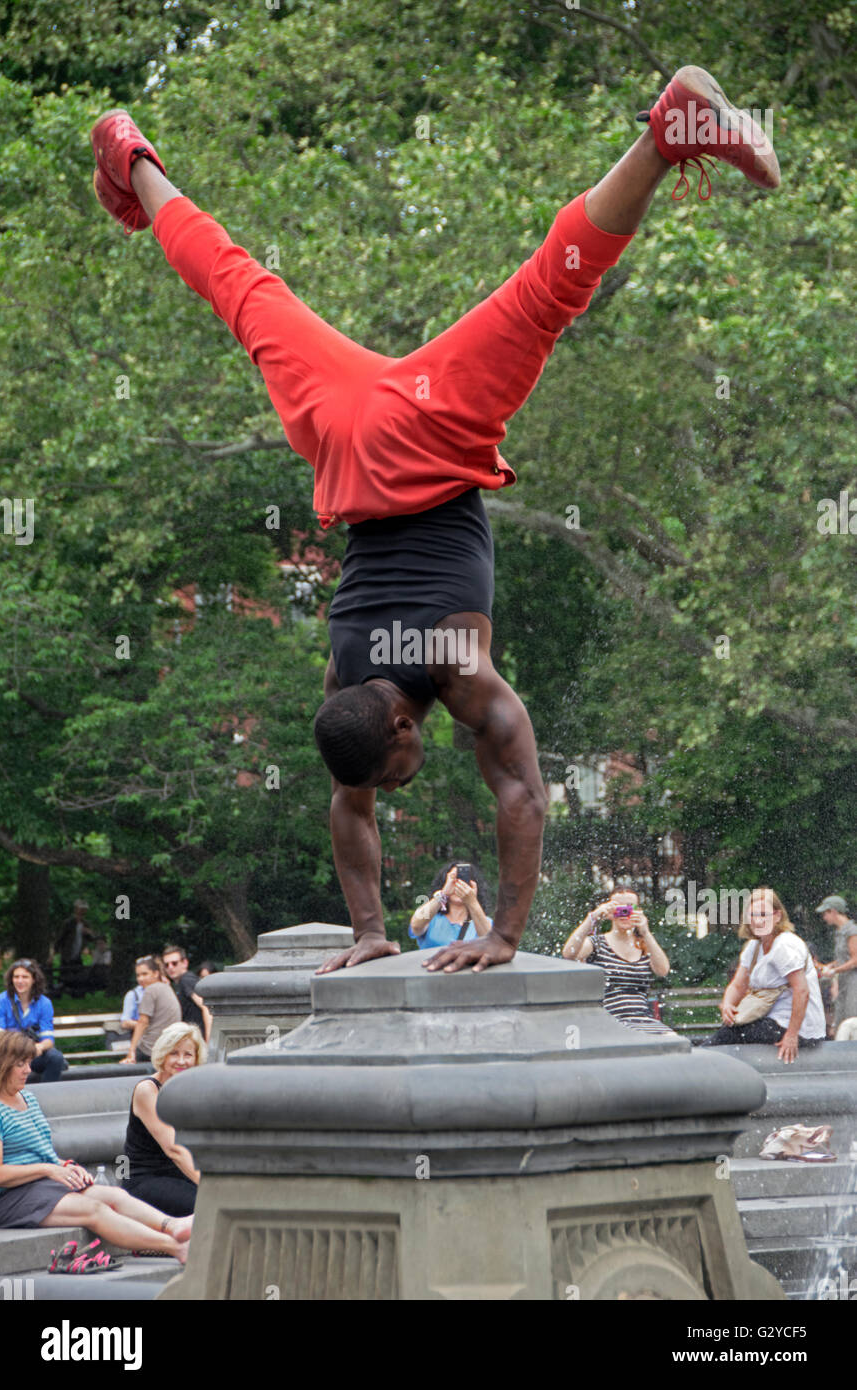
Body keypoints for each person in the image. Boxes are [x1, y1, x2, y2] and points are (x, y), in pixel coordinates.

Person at [90, 67, 779, 976]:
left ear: (405, 732)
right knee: (240, 289)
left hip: (430, 427)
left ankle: (667, 133)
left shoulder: (458, 674)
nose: (389, 795)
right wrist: (370, 930)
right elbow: (348, 799)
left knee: (546, 296)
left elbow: (524, 795)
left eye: (392, 778)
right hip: (344, 430)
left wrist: (502, 938)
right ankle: (129, 155)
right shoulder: (345, 696)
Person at [0, 1030, 191, 1263]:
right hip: (6, 1198)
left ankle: (172, 1225)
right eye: (20, 1064)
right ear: (1, 1065)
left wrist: (65, 1165)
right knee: (94, 1209)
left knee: (115, 1195)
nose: (28, 1070)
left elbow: (40, 1153)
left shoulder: (28, 1098)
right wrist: (49, 1170)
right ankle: (175, 1247)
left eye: (28, 1062)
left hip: (40, 1184)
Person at [707, 887, 825, 1062]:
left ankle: (698, 1063)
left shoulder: (784, 945)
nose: (758, 921)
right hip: (771, 1020)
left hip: (800, 1028)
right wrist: (727, 1005)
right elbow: (738, 985)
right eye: (753, 915)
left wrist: (792, 1036)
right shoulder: (754, 947)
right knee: (729, 1030)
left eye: (764, 914)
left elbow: (802, 991)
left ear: (777, 916)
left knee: (728, 1035)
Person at [121, 1023, 205, 1217]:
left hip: (180, 1175)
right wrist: (210, 1187)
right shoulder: (148, 1090)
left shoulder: (191, 1087)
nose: (182, 1061)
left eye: (188, 1054)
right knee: (208, 1205)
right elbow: (174, 1149)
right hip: (147, 1179)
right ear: (162, 1055)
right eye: (174, 1053)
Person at [562, 889, 673, 1035]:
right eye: (619, 907)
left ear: (638, 911)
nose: (625, 912)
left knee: (673, 1041)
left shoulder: (644, 945)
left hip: (642, 1020)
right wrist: (593, 918)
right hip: (609, 1021)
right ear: (609, 912)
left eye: (630, 907)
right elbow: (569, 953)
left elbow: (662, 971)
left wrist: (646, 932)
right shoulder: (598, 943)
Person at [0, 960, 66, 1083]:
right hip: (8, 1055)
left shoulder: (44, 1003)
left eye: (25, 977)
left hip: (32, 1054)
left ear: (34, 979)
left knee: (56, 1058)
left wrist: (39, 1047)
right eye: (16, 977)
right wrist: (21, 1048)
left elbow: (48, 1039)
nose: (20, 981)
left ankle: (48, 1096)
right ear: (11, 979)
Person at [409, 863, 492, 950]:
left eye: (464, 880)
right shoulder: (431, 919)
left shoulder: (484, 921)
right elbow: (415, 925)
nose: (459, 885)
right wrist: (443, 894)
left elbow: (490, 943)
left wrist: (472, 901)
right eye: (454, 880)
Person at [119, 957, 181, 1065]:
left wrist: (132, 1050)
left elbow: (143, 1022)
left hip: (150, 1049)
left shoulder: (150, 990)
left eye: (145, 974)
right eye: (138, 975)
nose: (141, 979)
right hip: (169, 1046)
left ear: (156, 973)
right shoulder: (166, 988)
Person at [815, 895, 857, 1033]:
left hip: (853, 982)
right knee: (840, 1020)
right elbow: (844, 958)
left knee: (851, 1020)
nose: (824, 917)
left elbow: (855, 960)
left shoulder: (852, 931)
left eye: (825, 913)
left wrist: (834, 971)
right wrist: (830, 966)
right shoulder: (840, 932)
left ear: (833, 911)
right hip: (844, 981)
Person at [161, 944, 211, 1042]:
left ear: (185, 963)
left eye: (174, 963)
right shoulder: (179, 984)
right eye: (166, 965)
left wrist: (209, 1040)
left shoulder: (186, 980)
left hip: (198, 1039)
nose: (170, 967)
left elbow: (206, 1007)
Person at [54, 899, 94, 997]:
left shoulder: (85, 924)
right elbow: (60, 937)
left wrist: (89, 933)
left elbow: (92, 938)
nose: (82, 912)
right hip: (67, 953)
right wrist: (55, 951)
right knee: (64, 973)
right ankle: (60, 991)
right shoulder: (68, 923)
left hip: (78, 953)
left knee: (77, 974)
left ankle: (76, 993)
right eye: (81, 909)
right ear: (76, 909)